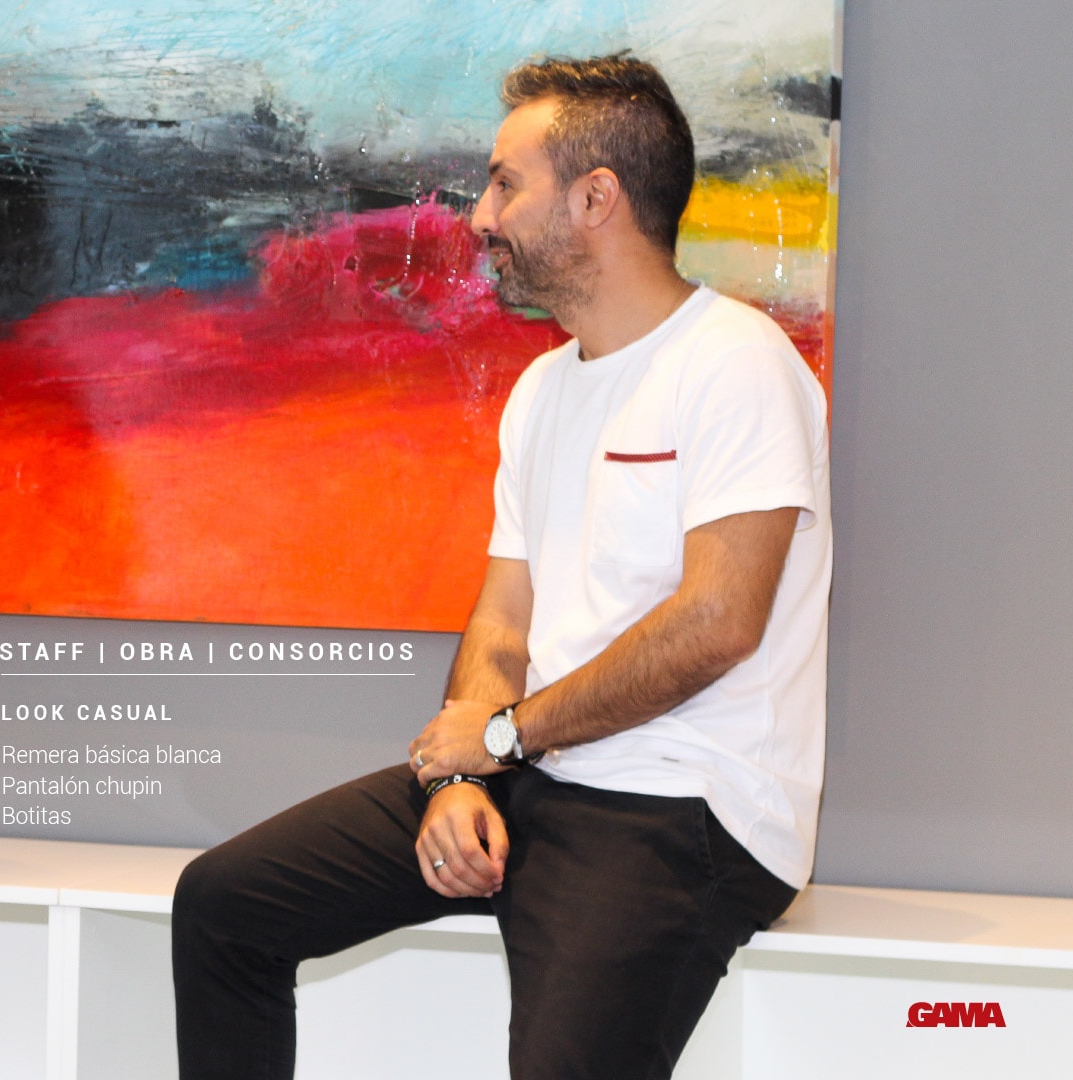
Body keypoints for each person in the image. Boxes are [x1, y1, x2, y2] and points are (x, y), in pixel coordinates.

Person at [172, 54, 830, 1080]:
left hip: (688, 808)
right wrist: (459, 774)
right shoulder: (542, 390)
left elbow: (718, 622)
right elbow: (503, 620)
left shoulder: (736, 362)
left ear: (596, 199)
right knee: (225, 908)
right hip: (537, 769)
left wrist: (501, 737)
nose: (480, 217)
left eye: (504, 185)